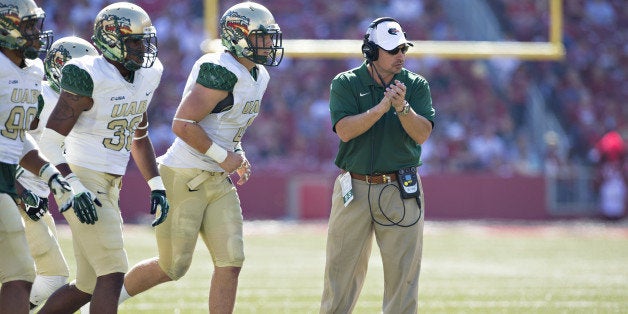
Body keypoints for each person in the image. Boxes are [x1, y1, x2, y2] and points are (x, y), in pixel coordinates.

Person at [118, 2, 283, 312]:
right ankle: (102, 303)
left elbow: (227, 124)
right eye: (261, 36)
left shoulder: (259, 76)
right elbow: (182, 123)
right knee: (172, 267)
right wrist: (224, 157)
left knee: (231, 260)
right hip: (184, 175)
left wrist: (237, 154)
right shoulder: (220, 69)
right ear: (239, 37)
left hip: (218, 180)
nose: (269, 43)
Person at [36, 2, 169, 313]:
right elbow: (50, 142)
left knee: (87, 284)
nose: (142, 48)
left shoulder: (149, 74)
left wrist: (156, 183)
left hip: (110, 181)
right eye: (134, 41)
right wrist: (73, 184)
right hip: (83, 177)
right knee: (112, 273)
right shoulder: (87, 75)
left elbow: (139, 133)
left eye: (144, 39)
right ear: (111, 40)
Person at [320, 17, 435, 314]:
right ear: (371, 52)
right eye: (393, 49)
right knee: (340, 272)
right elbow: (344, 130)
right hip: (354, 187)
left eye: (403, 49)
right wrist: (382, 108)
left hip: (401, 187)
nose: (401, 55)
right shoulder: (345, 83)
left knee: (403, 276)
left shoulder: (416, 85)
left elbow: (422, 133)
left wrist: (402, 108)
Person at [13, 35, 99, 312]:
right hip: (18, 195)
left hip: (33, 193)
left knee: (33, 276)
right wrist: (22, 193)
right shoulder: (41, 96)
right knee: (51, 276)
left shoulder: (69, 102)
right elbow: (8, 145)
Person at [0, 0, 74, 313]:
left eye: (35, 25)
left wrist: (51, 174)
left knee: (20, 277)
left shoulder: (33, 70)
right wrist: (22, 189)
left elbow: (19, 138)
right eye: (27, 26)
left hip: (5, 181)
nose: (35, 34)